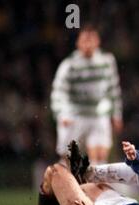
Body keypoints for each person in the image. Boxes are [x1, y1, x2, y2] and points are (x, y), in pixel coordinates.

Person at [51, 25, 123, 164]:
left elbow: (113, 89)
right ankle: (65, 184)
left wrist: (116, 114)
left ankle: (96, 185)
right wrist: (62, 114)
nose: (88, 44)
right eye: (85, 40)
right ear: (78, 43)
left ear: (98, 41)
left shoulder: (107, 61)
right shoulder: (69, 65)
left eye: (91, 40)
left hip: (98, 115)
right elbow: (59, 91)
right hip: (75, 114)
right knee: (68, 159)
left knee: (100, 158)